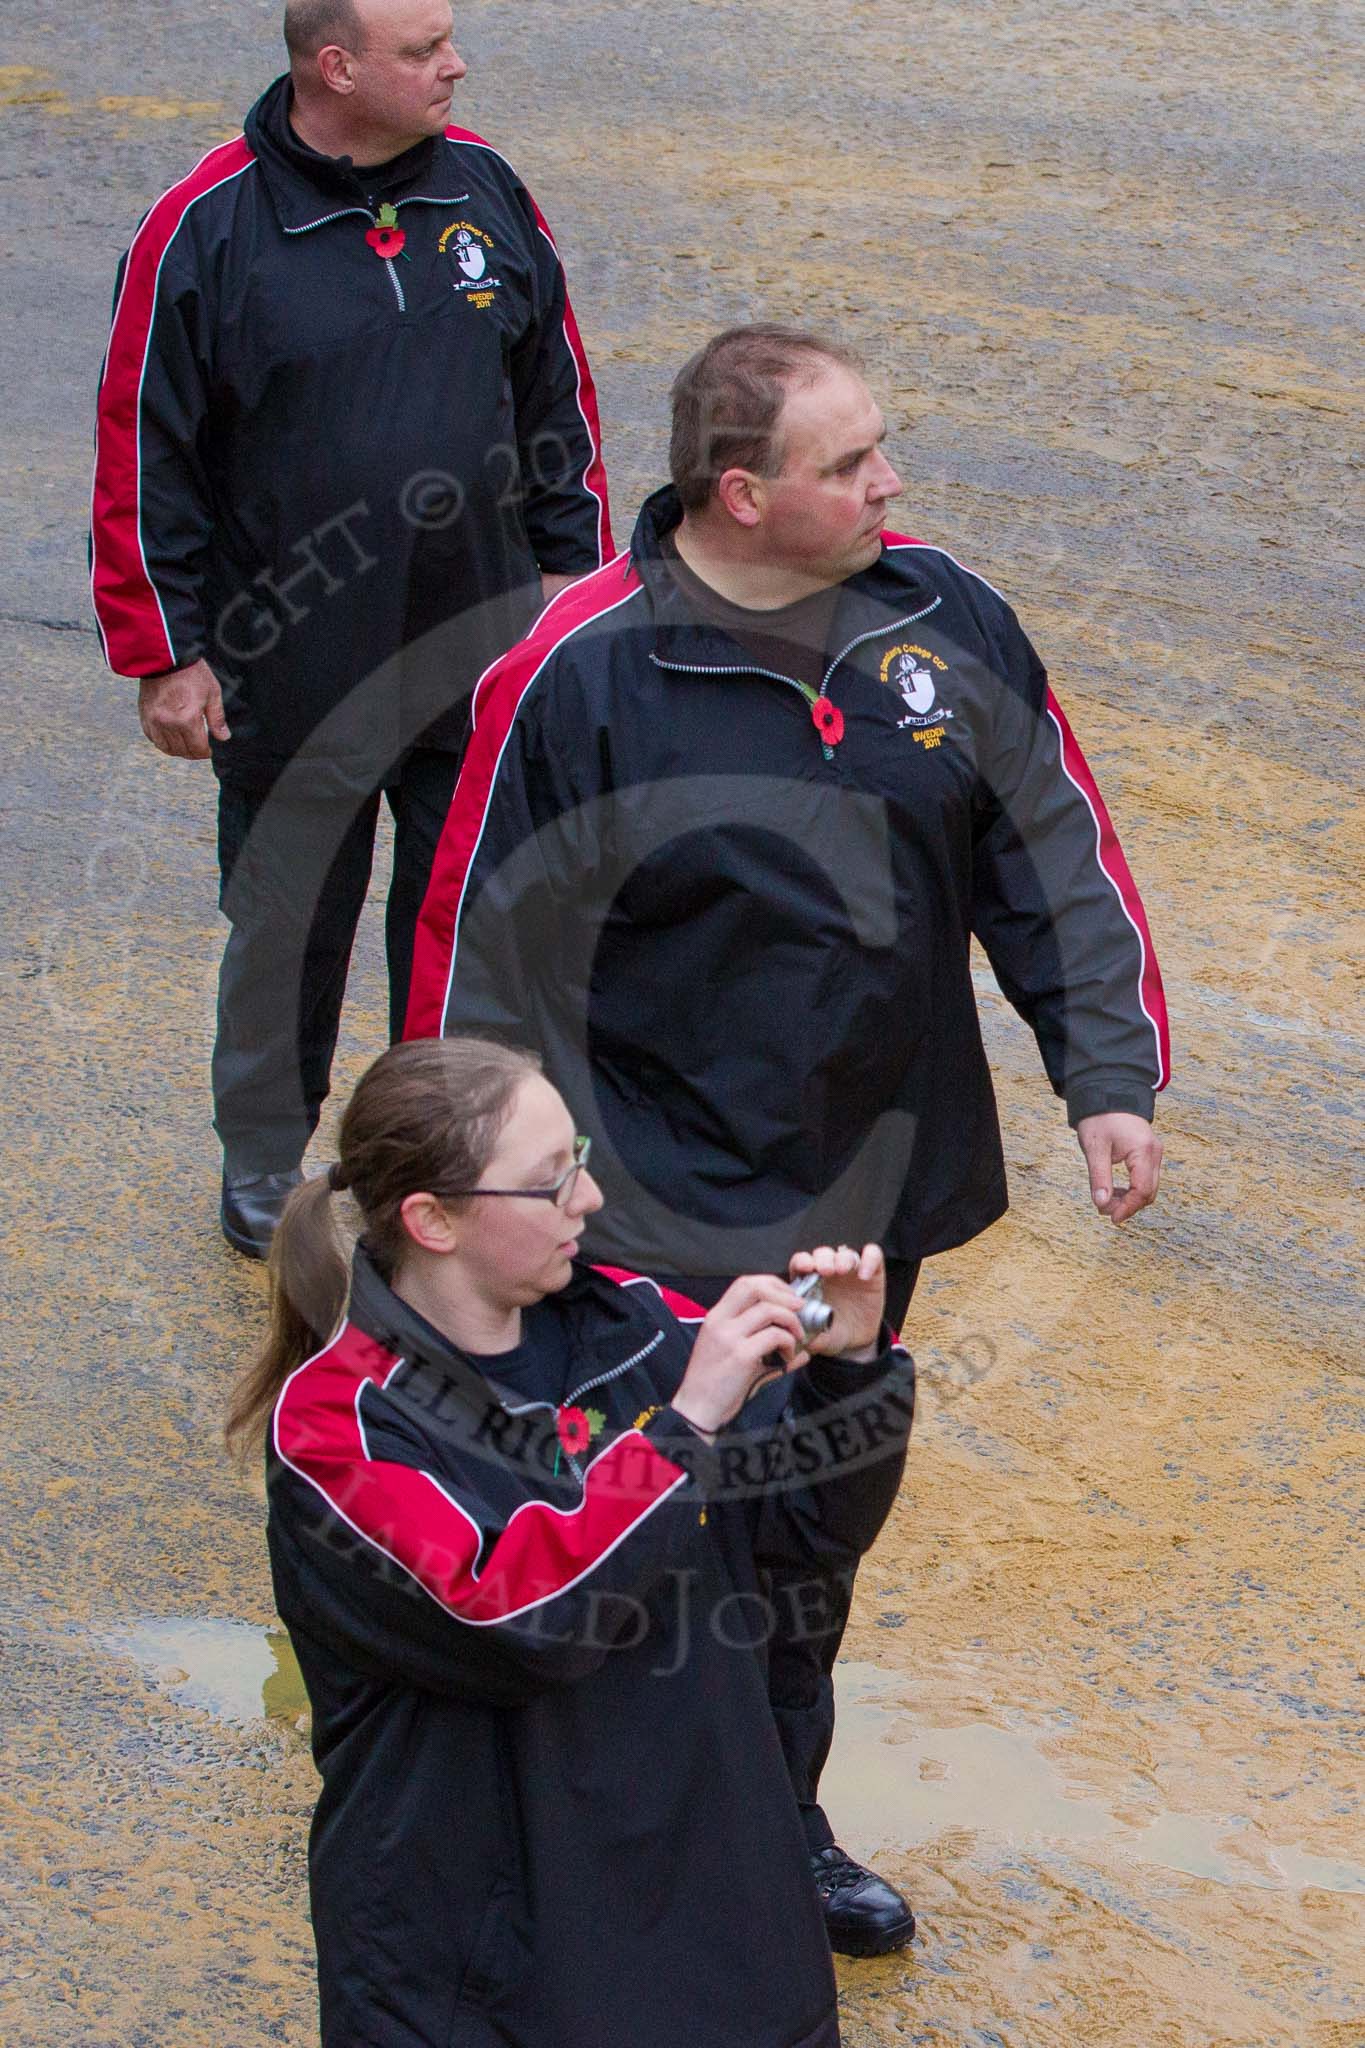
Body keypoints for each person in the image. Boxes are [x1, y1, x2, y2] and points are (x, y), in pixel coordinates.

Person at [402, 324, 1171, 1951]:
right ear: (740, 494)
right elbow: (477, 948)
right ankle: (602, 1847)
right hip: (644, 1198)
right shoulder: (580, 671)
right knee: (669, 1525)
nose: (892, 482)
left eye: (882, 448)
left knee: (811, 1532)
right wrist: (479, 1203)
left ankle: (770, 1818)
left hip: (867, 1191)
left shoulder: (944, 617)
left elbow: (1048, 854)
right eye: (850, 463)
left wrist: (1104, 1068)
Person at [226, 1035, 915, 2047]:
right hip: (493, 1963)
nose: (588, 1201)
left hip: (709, 1906)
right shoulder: (338, 1422)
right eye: (551, 1182)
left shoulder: (634, 1319)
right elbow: (509, 1612)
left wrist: (848, 1368)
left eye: (579, 1159)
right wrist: (682, 1429)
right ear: (433, 1218)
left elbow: (803, 1529)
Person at [90, 0, 611, 1258]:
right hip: (294, 666)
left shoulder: (487, 190)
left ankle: (448, 1166)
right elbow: (138, 450)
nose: (456, 64)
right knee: (287, 937)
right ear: (338, 66)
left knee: (472, 930)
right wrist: (165, 652)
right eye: (425, 49)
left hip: (478, 657)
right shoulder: (202, 228)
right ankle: (266, 1165)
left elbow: (558, 387)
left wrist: (571, 579)